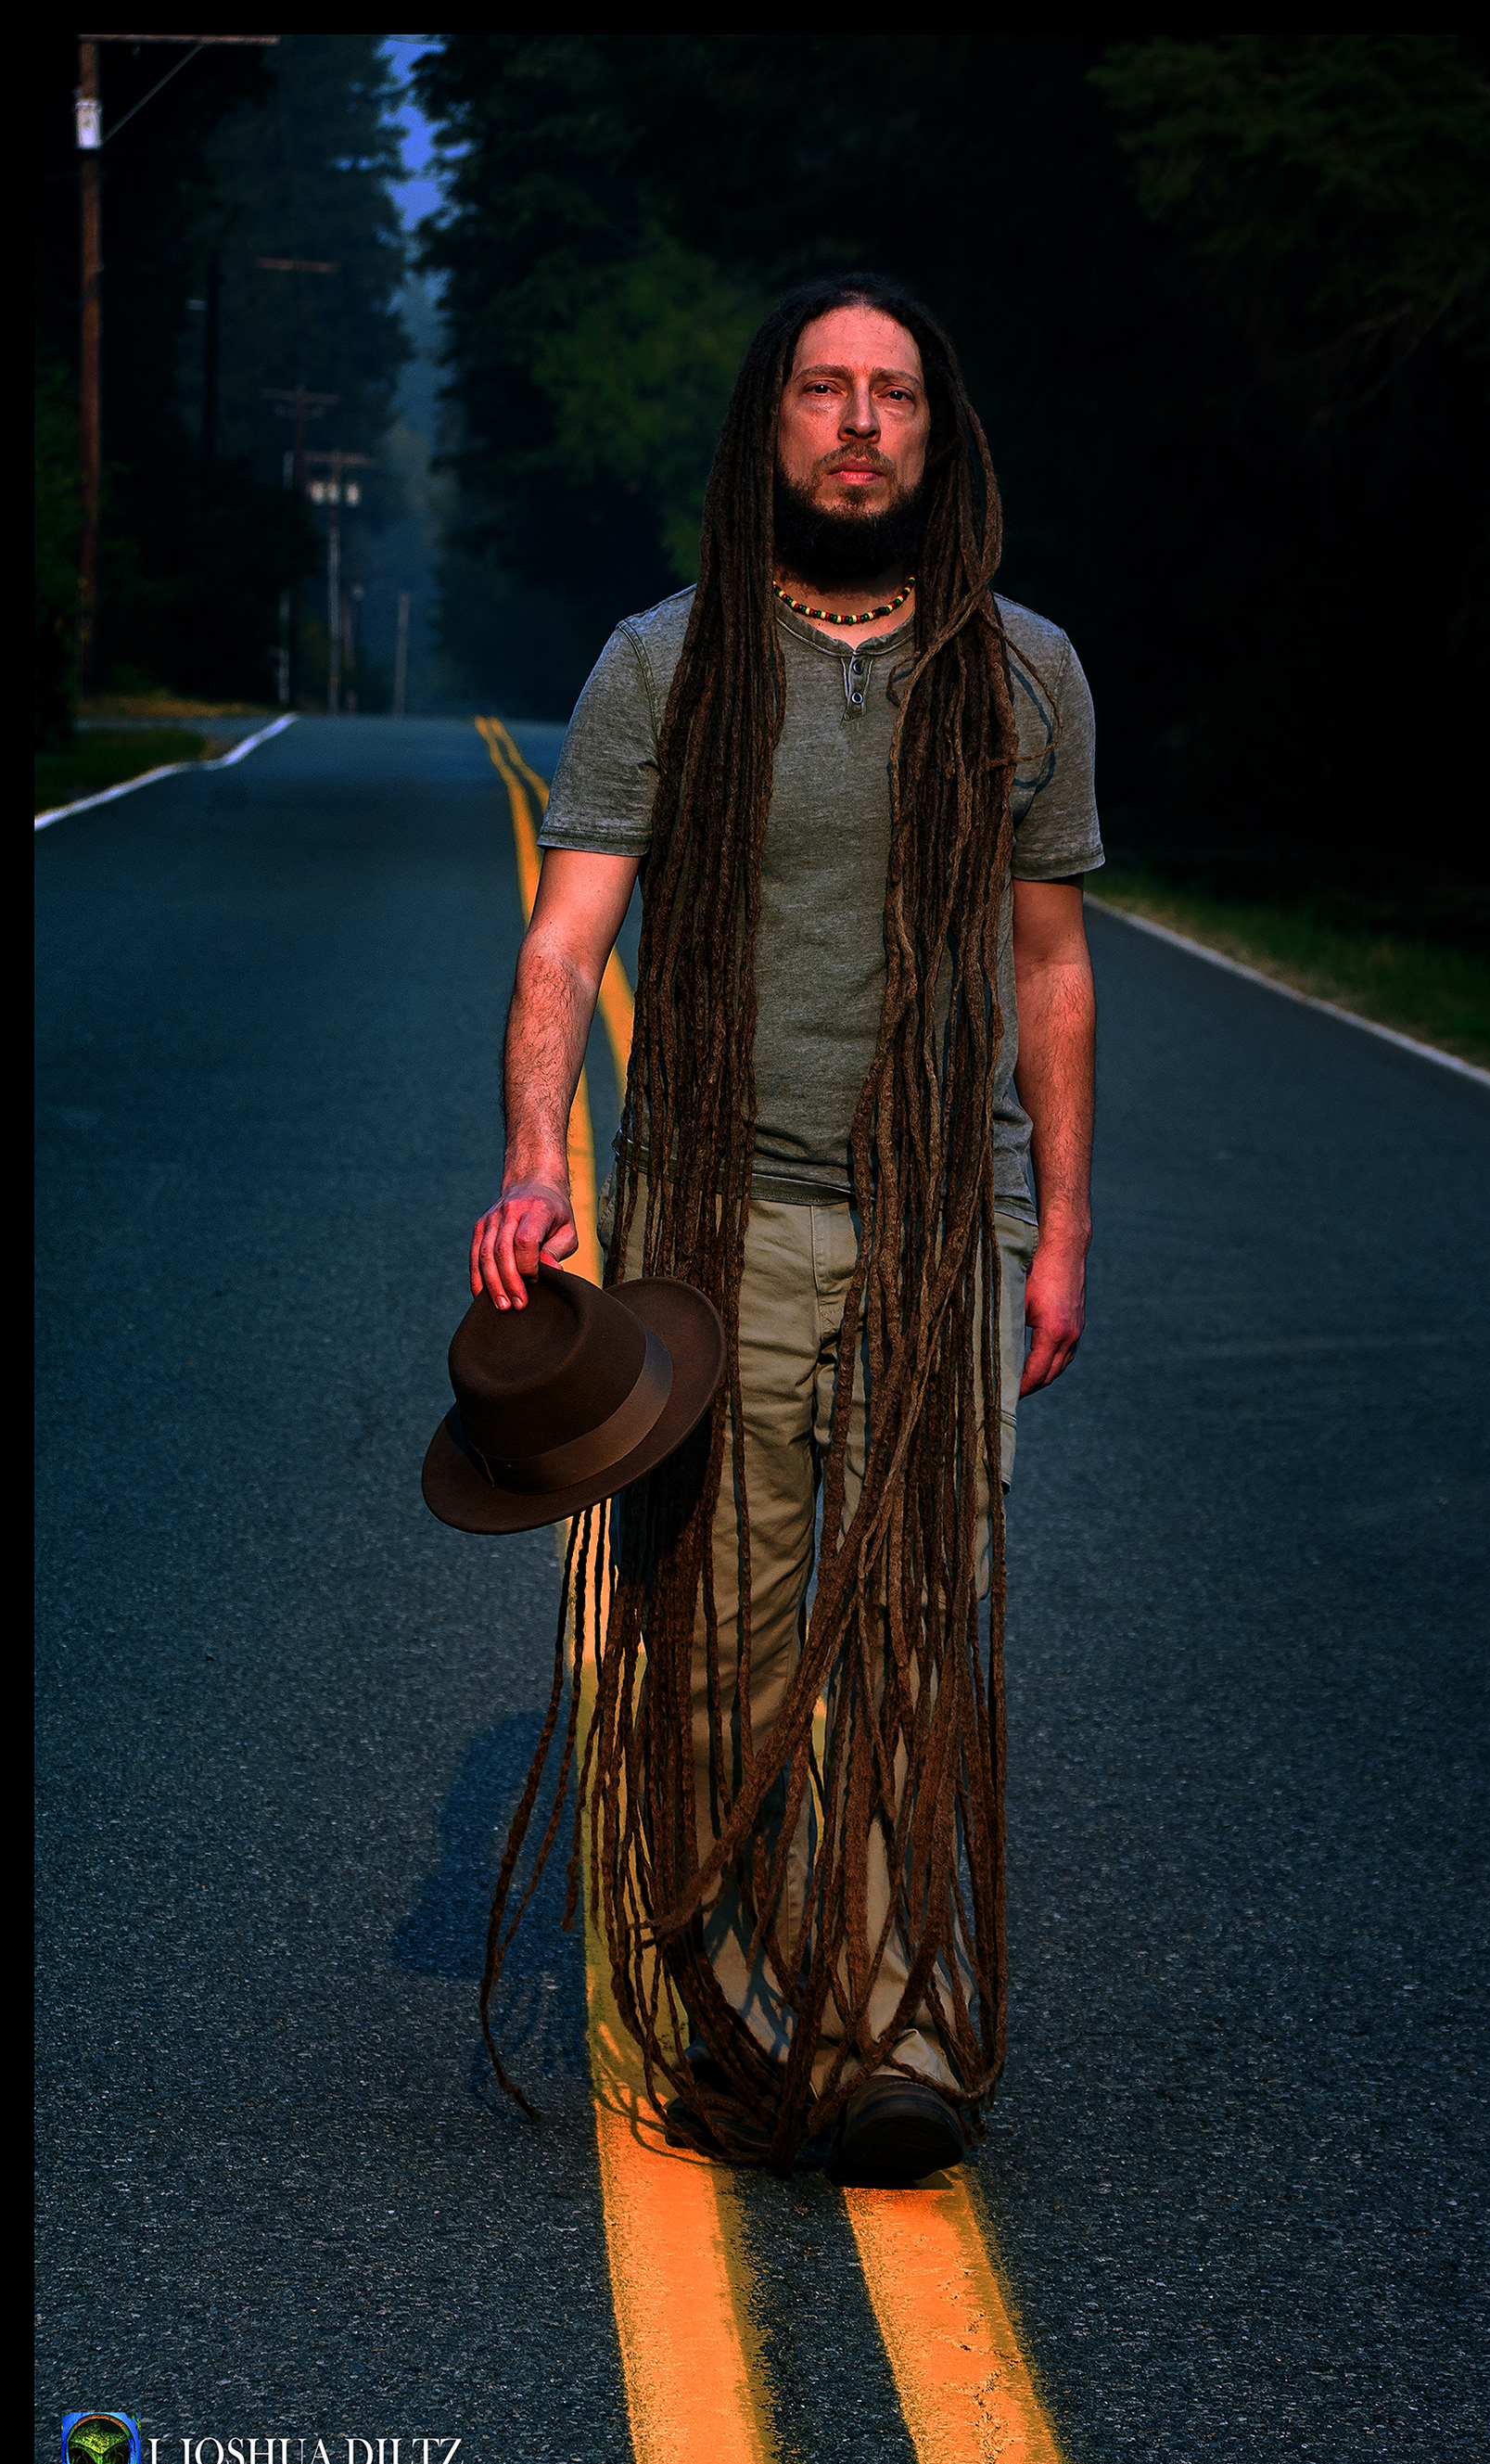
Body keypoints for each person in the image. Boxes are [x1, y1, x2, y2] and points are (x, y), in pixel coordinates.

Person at [470, 274, 1100, 2185]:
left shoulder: (1026, 675)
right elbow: (567, 936)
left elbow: (1053, 968)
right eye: (823, 390)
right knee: (723, 1647)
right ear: (773, 425)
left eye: (890, 394)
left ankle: (896, 2034)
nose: (855, 423)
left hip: (938, 1236)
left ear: (938, 431)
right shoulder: (666, 663)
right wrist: (531, 1159)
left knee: (916, 1637)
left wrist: (1062, 1221)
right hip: (713, 1235)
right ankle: (736, 2000)